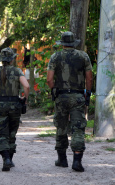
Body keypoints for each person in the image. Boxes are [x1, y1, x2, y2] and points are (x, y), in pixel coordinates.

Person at [47, 31, 93, 172]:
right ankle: (77, 161)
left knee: (61, 127)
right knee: (78, 128)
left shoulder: (55, 57)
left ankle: (62, 159)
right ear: (74, 43)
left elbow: (49, 79)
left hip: (61, 97)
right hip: (78, 96)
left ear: (62, 44)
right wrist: (88, 93)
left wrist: (54, 90)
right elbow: (89, 78)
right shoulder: (83, 56)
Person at [0, 47, 30, 172]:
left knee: (1, 133)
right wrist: (25, 99)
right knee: (12, 132)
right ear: (12, 59)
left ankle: (6, 159)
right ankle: (9, 158)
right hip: (15, 106)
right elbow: (26, 86)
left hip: (0, 106)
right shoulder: (17, 71)